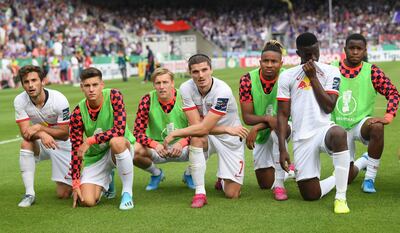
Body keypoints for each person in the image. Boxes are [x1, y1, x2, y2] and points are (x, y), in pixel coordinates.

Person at [277, 32, 351, 214]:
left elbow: (329, 106)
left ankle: (341, 197)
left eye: (315, 52)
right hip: (302, 137)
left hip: (323, 131)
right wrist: (282, 149)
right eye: (307, 54)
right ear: (298, 53)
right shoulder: (287, 76)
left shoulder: (331, 71)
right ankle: (337, 177)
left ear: (319, 47)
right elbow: (282, 114)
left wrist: (313, 77)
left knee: (339, 133)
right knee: (310, 195)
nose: (312, 57)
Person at [164, 54, 249, 204]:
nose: (200, 75)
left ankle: (222, 179)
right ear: (190, 73)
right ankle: (200, 193)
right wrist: (226, 129)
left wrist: (176, 133)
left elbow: (202, 127)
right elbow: (198, 128)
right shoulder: (185, 88)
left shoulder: (223, 91)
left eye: (204, 70)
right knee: (196, 138)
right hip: (217, 133)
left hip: (231, 138)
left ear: (211, 70)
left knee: (232, 194)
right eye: (195, 72)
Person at [331, 33, 399, 192]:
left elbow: (393, 93)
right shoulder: (332, 68)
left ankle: (369, 179)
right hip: (338, 127)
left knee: (377, 127)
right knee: (346, 179)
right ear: (345, 49)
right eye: (351, 48)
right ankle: (363, 161)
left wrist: (388, 116)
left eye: (359, 49)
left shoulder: (372, 71)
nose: (355, 52)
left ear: (365, 51)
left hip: (361, 124)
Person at [69, 67, 135, 210]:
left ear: (102, 85)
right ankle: (107, 179)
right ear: (82, 87)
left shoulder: (114, 96)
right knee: (86, 201)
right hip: (96, 157)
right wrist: (75, 183)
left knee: (116, 141)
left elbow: (119, 129)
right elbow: (76, 149)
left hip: (120, 149)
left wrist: (90, 140)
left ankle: (127, 193)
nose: (91, 89)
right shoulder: (77, 113)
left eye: (95, 85)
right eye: (87, 86)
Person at [133, 68, 201, 194]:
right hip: (158, 148)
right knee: (134, 150)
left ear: (172, 83)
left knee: (205, 141)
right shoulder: (147, 100)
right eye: (158, 83)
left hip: (183, 147)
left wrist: (182, 143)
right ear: (154, 85)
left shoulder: (185, 97)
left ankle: (189, 174)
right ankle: (156, 174)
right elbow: (137, 133)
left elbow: (198, 127)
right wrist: (155, 144)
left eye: (165, 82)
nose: (162, 87)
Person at [239, 40, 292, 201]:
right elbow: (247, 117)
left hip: (285, 126)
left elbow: (286, 114)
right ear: (260, 62)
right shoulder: (247, 80)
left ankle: (280, 185)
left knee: (278, 127)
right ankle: (290, 171)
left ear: (281, 62)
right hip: (263, 131)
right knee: (264, 183)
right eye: (266, 61)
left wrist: (256, 128)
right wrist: (266, 121)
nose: (269, 65)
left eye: (274, 61)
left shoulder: (288, 77)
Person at [14, 65, 72, 207]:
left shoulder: (59, 99)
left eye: (34, 80)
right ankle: (29, 194)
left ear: (43, 81)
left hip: (62, 144)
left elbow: (65, 134)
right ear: (22, 84)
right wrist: (41, 134)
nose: (30, 85)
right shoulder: (19, 101)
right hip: (41, 142)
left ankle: (86, 176)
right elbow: (26, 133)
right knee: (26, 143)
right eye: (26, 82)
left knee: (63, 194)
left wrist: (40, 128)